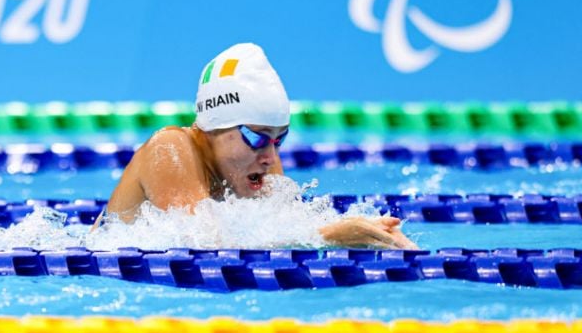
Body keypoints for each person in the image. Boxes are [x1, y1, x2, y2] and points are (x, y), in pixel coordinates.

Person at [101, 43, 416, 249]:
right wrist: (331, 237)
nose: (270, 157)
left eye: (279, 140)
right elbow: (205, 244)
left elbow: (290, 226)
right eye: (256, 138)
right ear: (214, 127)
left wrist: (366, 232)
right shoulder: (169, 149)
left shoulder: (257, 162)